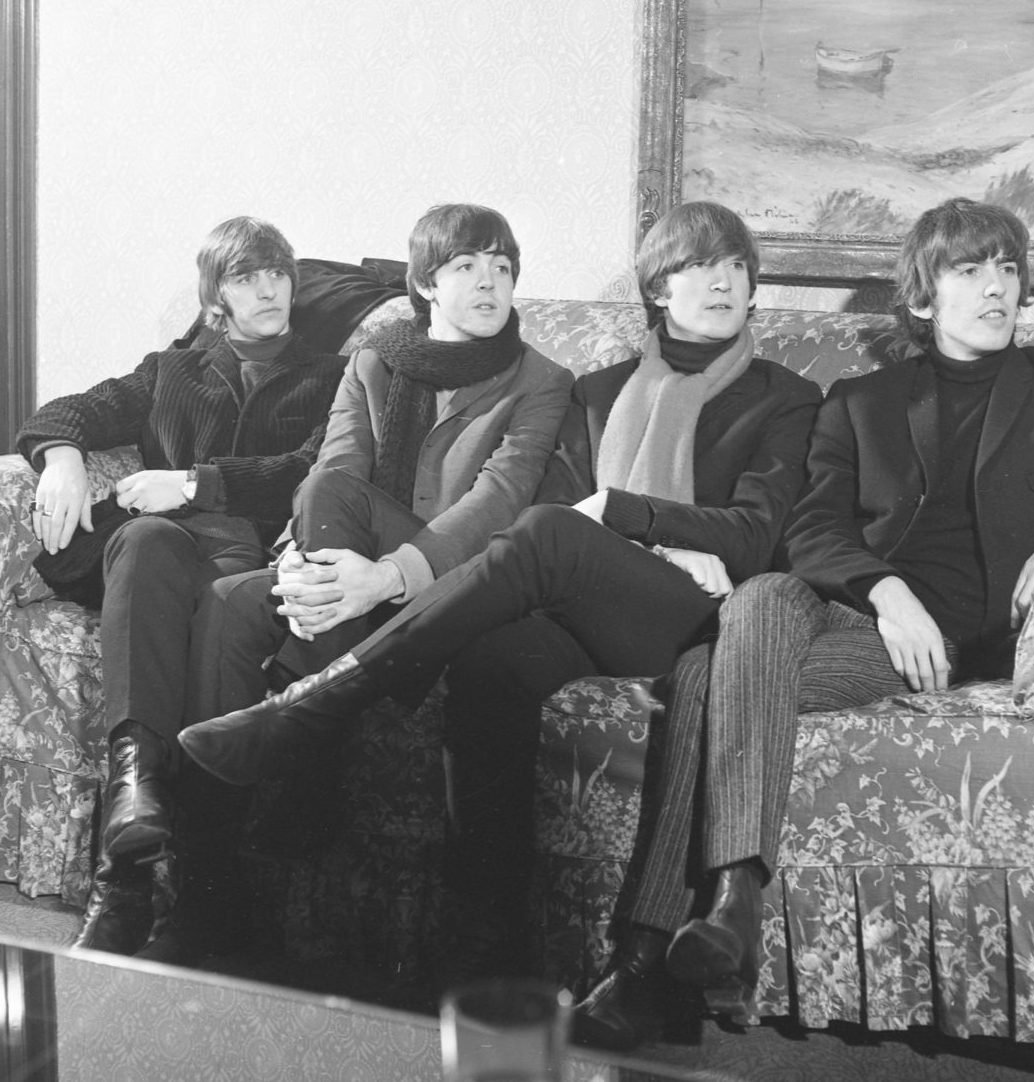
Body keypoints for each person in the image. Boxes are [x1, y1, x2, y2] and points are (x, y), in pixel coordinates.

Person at [567, 196, 1034, 1051]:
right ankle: (733, 903)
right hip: (851, 613)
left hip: (946, 648)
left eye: (1006, 270)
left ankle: (647, 962)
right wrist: (885, 592)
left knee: (704, 677)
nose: (996, 289)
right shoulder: (862, 399)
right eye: (969, 271)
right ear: (922, 300)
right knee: (761, 596)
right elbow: (809, 528)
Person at [175, 202, 822, 966]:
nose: (720, 282)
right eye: (696, 266)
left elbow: (751, 532)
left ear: (753, 288)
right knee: (491, 663)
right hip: (583, 595)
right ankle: (488, 934)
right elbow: (554, 512)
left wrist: (632, 517)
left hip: (691, 612)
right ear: (656, 289)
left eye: (736, 267)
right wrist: (631, 531)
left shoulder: (788, 397)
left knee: (548, 530)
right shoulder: (602, 388)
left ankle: (315, 703)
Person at [148, 202, 573, 964]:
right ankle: (205, 888)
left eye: (503, 268)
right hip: (348, 566)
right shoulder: (375, 361)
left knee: (332, 500)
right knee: (230, 601)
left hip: (457, 583)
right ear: (424, 285)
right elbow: (332, 468)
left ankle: (308, 741)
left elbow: (496, 503)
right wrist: (294, 561)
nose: (490, 283)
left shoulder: (541, 382)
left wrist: (386, 576)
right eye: (467, 266)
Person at [15, 216, 349, 956]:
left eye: (276, 273)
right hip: (159, 557)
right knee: (146, 538)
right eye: (245, 276)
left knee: (198, 582)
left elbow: (312, 468)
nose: (268, 288)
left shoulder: (332, 376)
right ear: (214, 301)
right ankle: (135, 798)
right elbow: (66, 412)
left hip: (250, 562)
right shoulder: (172, 370)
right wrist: (64, 457)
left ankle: (125, 884)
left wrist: (195, 481)